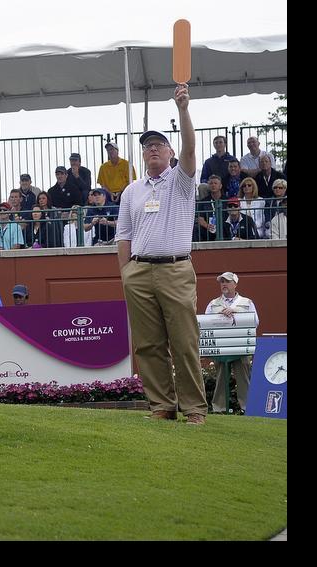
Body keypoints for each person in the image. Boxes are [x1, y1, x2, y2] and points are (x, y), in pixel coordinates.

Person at [116, 83, 207, 425]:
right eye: (147, 146)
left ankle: (195, 410)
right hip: (139, 272)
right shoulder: (131, 191)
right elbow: (123, 236)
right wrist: (126, 274)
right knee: (147, 345)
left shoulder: (181, 179)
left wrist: (183, 109)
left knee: (184, 342)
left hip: (175, 269)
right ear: (142, 155)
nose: (152, 149)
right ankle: (162, 407)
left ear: (170, 152)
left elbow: (191, 148)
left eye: (158, 145)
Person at [205, 272, 258, 413]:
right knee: (221, 378)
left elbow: (255, 322)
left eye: (227, 281)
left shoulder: (247, 303)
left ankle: (247, 408)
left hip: (241, 345)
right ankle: (219, 408)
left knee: (244, 378)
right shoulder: (213, 304)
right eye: (222, 282)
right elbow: (205, 324)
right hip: (221, 347)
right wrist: (219, 316)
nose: (224, 284)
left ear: (235, 284)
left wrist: (235, 312)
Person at [194, 174, 224, 242]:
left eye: (215, 183)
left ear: (220, 186)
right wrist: (207, 226)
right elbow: (200, 219)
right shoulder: (203, 201)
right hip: (208, 230)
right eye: (211, 183)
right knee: (197, 229)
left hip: (224, 228)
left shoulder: (226, 200)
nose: (213, 185)